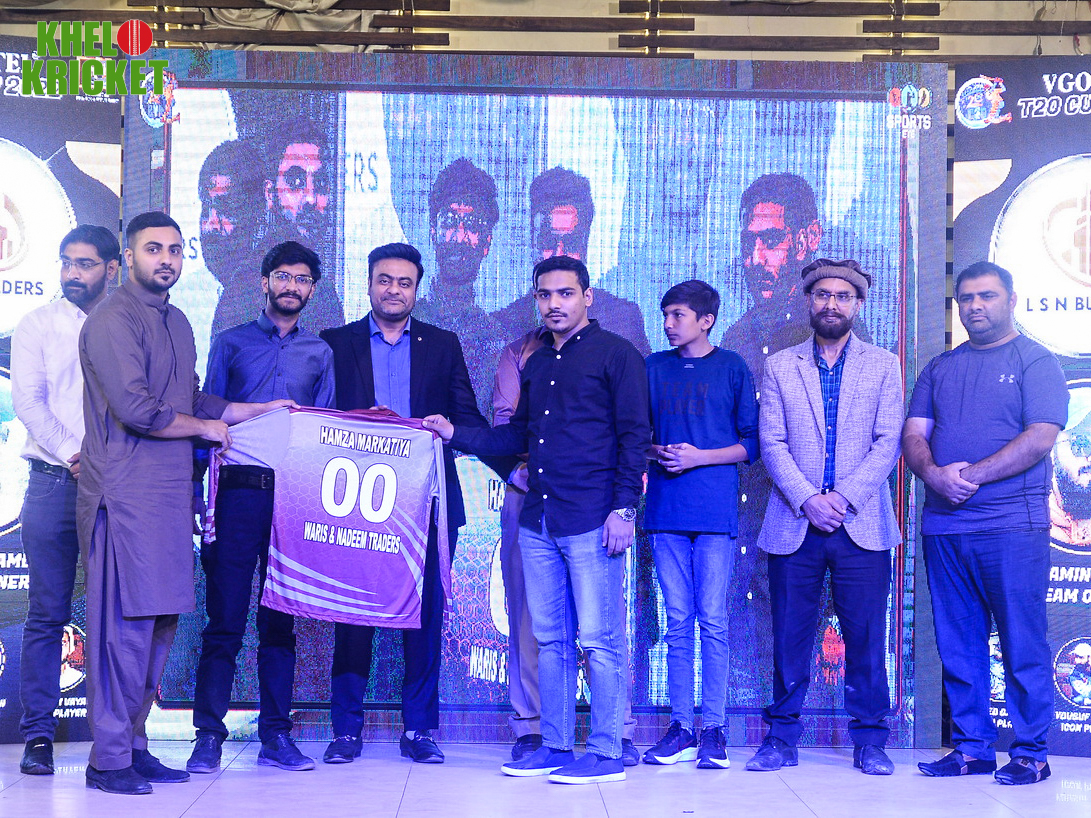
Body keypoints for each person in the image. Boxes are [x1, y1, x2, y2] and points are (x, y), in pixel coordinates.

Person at [77, 211, 293, 795]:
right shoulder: (112, 318)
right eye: (154, 249)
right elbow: (137, 409)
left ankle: (135, 744)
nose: (166, 259)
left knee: (160, 628)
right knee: (123, 631)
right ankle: (108, 759)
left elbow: (191, 399)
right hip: (124, 495)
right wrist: (207, 429)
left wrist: (255, 412)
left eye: (174, 249)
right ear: (128, 257)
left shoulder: (176, 321)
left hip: (171, 496)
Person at [425, 255, 650, 785]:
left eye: (565, 293)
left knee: (599, 639)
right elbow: (516, 436)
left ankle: (607, 752)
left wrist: (624, 511)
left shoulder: (618, 355)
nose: (554, 304)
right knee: (550, 639)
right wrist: (454, 432)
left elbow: (634, 437)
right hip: (539, 520)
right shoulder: (539, 361)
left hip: (593, 519)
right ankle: (555, 745)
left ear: (587, 297)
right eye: (545, 295)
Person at [319, 242, 488, 766]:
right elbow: (317, 418)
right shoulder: (335, 342)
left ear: (417, 288)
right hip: (354, 502)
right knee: (352, 613)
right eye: (385, 280)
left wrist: (453, 429)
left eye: (404, 282)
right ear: (369, 284)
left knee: (425, 617)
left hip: (427, 501)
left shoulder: (442, 344)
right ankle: (346, 730)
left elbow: (468, 417)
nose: (394, 290)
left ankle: (418, 729)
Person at [904, 260, 1067, 786]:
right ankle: (972, 749)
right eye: (967, 298)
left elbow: (1040, 437)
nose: (975, 306)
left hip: (1013, 526)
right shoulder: (940, 368)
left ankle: (1032, 753)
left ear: (1011, 300)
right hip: (945, 527)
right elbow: (913, 434)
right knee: (957, 643)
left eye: (987, 296)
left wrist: (968, 476)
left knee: (1023, 643)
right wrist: (934, 474)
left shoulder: (1035, 360)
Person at [745, 258, 902, 776]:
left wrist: (844, 498)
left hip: (862, 524)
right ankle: (781, 738)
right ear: (808, 301)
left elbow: (888, 442)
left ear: (857, 304)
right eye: (823, 295)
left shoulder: (884, 365)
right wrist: (808, 498)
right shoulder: (780, 365)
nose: (831, 304)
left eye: (842, 296)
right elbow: (772, 442)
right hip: (796, 522)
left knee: (866, 639)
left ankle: (871, 741)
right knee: (789, 636)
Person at [186, 241, 335, 775]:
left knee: (279, 625)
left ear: (311, 290)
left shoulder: (320, 353)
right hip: (236, 495)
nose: (292, 286)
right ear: (265, 282)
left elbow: (325, 431)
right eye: (283, 276)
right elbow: (206, 414)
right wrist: (197, 490)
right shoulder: (231, 342)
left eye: (302, 279)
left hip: (292, 500)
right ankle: (208, 736)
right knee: (224, 620)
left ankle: (276, 735)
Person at [11, 225, 119, 775]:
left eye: (85, 264)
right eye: (66, 262)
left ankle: (118, 738)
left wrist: (101, 463)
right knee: (47, 612)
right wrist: (76, 455)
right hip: (53, 483)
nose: (72, 274)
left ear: (112, 269)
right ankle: (37, 737)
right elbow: (28, 402)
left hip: (116, 488)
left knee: (114, 615)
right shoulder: (38, 324)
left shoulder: (129, 323)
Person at [642, 280, 758, 770]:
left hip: (713, 514)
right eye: (665, 315)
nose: (669, 324)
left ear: (706, 320)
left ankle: (714, 729)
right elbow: (635, 436)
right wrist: (658, 452)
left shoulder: (731, 367)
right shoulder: (652, 367)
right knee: (676, 622)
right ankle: (681, 727)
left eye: (679, 315)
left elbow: (752, 444)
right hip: (665, 512)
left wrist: (698, 457)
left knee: (712, 620)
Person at [490, 166, 651, 357]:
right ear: (532, 241)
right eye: (548, 241)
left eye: (571, 243)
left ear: (586, 244)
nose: (559, 257)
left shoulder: (622, 322)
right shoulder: (501, 328)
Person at [413, 158, 507, 416]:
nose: (459, 237)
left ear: (487, 242)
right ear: (433, 232)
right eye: (450, 222)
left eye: (473, 225)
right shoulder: (405, 324)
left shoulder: (497, 340)